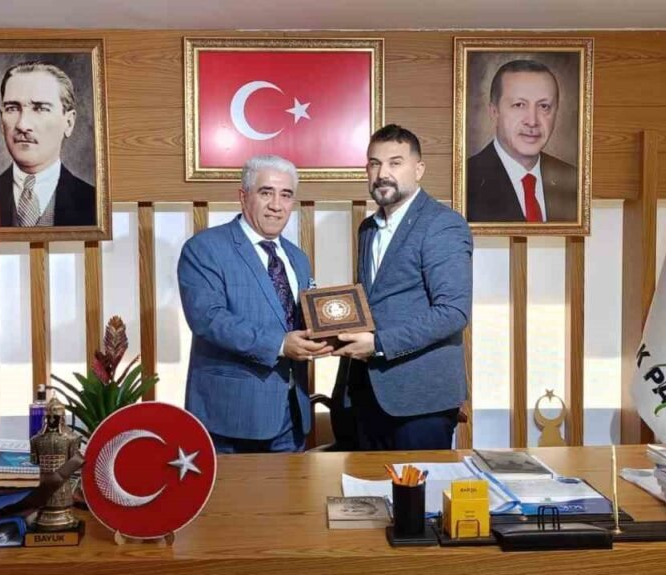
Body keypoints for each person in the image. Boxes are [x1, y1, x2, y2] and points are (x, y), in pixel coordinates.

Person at [331, 125, 474, 451]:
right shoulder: (368, 228)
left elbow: (453, 312)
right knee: (368, 485)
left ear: (418, 169)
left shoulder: (442, 224)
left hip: (420, 402)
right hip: (365, 396)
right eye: (374, 163)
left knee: (418, 487)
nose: (383, 173)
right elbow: (373, 302)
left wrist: (378, 343)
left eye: (395, 163)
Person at [178, 155, 332, 453]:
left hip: (292, 415)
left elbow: (300, 320)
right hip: (232, 417)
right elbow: (208, 318)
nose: (276, 205)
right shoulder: (205, 248)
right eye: (266, 192)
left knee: (291, 487)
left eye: (286, 195)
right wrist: (280, 344)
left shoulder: (297, 257)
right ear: (243, 195)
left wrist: (330, 335)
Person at [0, 61, 96, 227]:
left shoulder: (94, 203)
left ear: (68, 123)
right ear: (1, 120)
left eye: (40, 108)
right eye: (12, 108)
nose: (22, 125)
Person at [466, 59, 578, 223]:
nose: (532, 121)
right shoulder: (467, 180)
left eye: (544, 106)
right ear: (494, 112)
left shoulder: (573, 180)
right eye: (519, 105)